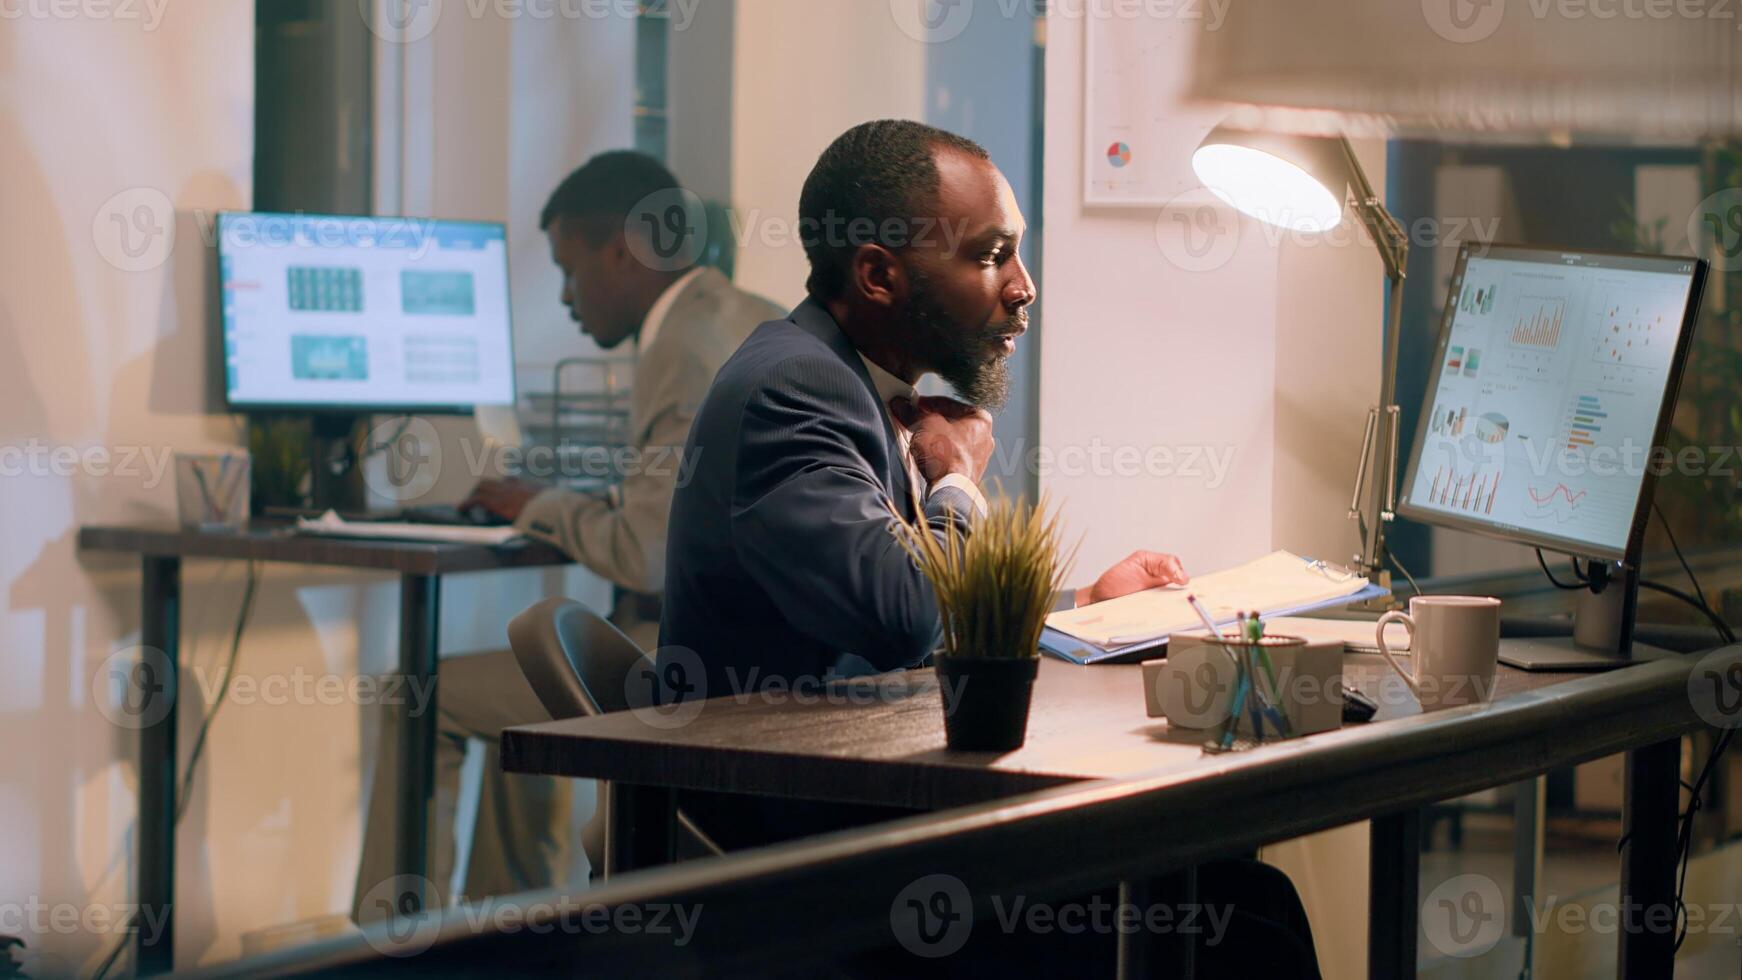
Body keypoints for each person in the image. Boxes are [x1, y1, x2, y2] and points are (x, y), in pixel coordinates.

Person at [657, 120, 1319, 977]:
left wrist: (1081, 607)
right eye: (991, 255)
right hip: (819, 869)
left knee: (1229, 890)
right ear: (878, 275)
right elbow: (903, 614)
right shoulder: (795, 387)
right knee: (1234, 912)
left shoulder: (851, 382)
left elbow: (911, 616)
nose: (1024, 287)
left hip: (875, 815)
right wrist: (960, 479)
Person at [353, 151, 782, 919]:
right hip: (764, 654)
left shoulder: (680, 348)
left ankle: (387, 949)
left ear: (620, 249)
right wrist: (574, 500)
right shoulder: (745, 311)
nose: (566, 296)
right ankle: (510, 934)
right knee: (525, 682)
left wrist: (536, 504)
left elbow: (646, 552)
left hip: (694, 665)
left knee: (418, 695)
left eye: (569, 268)